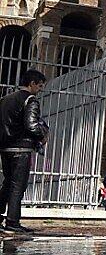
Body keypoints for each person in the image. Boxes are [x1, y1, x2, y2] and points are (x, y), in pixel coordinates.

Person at [0, 70, 48, 233]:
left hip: (5, 147)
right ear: (32, 83)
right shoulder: (31, 100)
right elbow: (31, 124)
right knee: (17, 186)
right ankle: (12, 222)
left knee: (8, 184)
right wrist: (43, 132)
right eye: (39, 86)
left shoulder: (5, 99)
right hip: (21, 147)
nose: (40, 89)